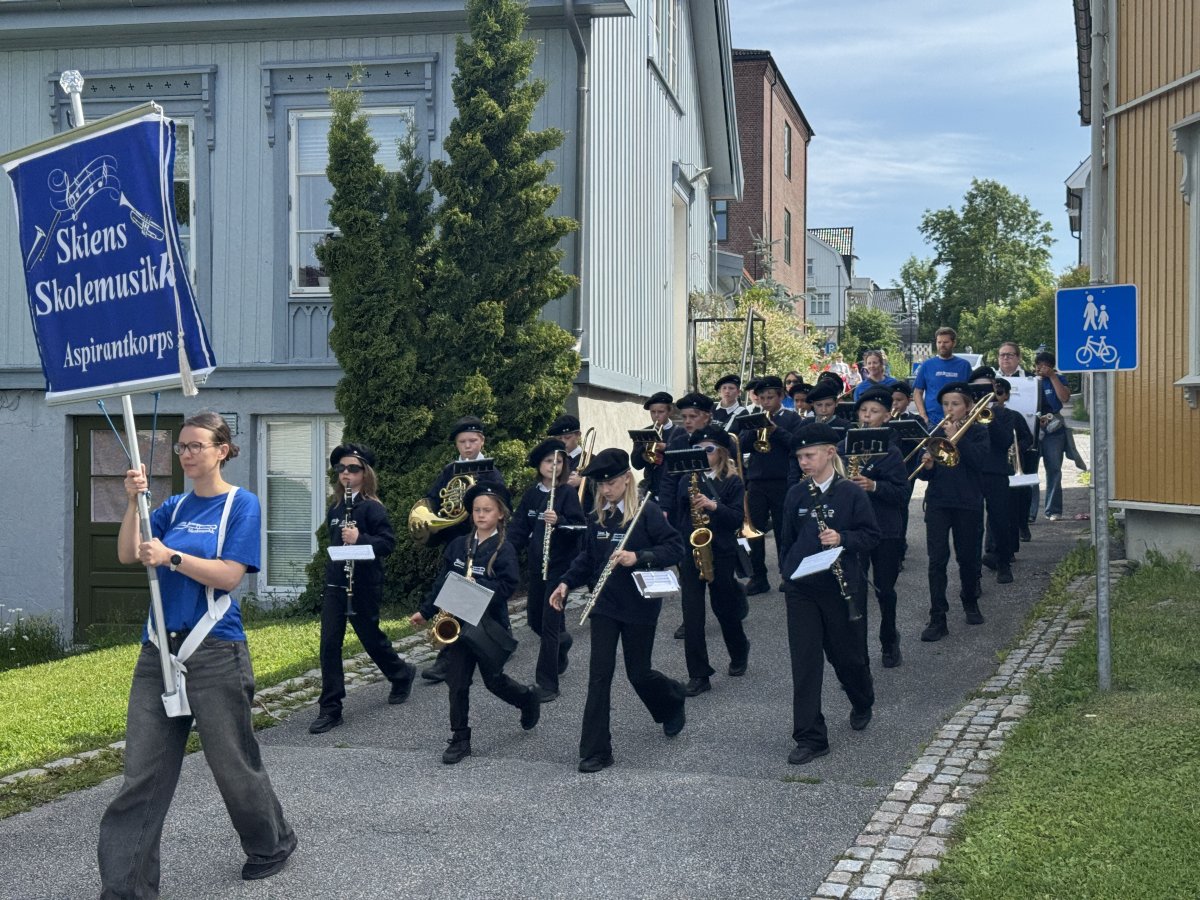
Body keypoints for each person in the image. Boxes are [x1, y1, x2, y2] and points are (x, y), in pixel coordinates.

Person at [99, 412, 296, 893]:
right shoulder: (172, 507)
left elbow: (230, 576)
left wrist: (173, 557)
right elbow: (128, 553)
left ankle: (271, 842)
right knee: (141, 775)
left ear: (222, 449)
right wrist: (133, 502)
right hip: (157, 653)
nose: (187, 454)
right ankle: (127, 888)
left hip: (215, 650)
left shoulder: (240, 505)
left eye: (196, 445)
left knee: (231, 762)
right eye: (182, 447)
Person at [549, 449, 687, 773]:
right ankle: (596, 751)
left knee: (639, 673)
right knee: (599, 676)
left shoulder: (648, 512)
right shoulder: (598, 516)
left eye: (611, 483)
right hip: (605, 606)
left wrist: (638, 556)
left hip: (639, 604)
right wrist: (566, 583)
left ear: (627, 478)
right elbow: (587, 558)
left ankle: (672, 700)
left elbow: (675, 547)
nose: (606, 490)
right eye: (601, 485)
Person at [411, 482, 541, 764]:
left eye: (487, 510)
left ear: (500, 515)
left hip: (487, 626)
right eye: (477, 510)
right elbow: (443, 581)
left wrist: (476, 585)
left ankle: (526, 699)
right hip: (456, 624)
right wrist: (426, 611)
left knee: (494, 682)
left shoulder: (503, 549)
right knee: (457, 683)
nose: (481, 515)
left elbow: (508, 586)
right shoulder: (459, 545)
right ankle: (460, 739)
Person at [778, 424, 879, 765]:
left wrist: (843, 539)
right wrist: (789, 573)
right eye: (800, 457)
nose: (804, 462)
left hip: (841, 588)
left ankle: (862, 698)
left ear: (830, 453)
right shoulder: (796, 494)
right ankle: (810, 737)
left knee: (847, 657)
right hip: (802, 590)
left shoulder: (851, 493)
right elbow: (786, 541)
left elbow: (871, 536)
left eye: (810, 455)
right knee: (805, 664)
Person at [310, 443, 416, 735]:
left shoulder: (372, 507)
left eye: (353, 469)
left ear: (364, 473)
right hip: (336, 581)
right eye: (341, 468)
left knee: (370, 637)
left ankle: (401, 673)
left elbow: (387, 543)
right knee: (329, 643)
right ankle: (331, 708)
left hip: (364, 583)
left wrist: (360, 538)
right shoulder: (336, 507)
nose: (346, 473)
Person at [420, 416, 507, 685]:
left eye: (472, 441)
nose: (467, 446)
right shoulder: (450, 470)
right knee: (457, 588)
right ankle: (449, 655)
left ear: (481, 441)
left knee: (485, 585)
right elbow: (435, 498)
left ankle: (497, 638)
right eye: (462, 442)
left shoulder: (490, 471)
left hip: (485, 536)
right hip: (458, 537)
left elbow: (500, 500)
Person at [670, 426, 751, 695]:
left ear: (721, 452)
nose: (703, 454)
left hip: (721, 552)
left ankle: (739, 650)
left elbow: (737, 519)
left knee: (724, 609)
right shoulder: (686, 480)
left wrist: (713, 506)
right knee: (692, 614)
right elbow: (680, 519)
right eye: (697, 450)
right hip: (692, 552)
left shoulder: (732, 481)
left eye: (708, 449)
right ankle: (698, 674)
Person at [509, 439, 585, 701]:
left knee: (550, 626)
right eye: (549, 461)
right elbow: (519, 527)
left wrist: (560, 521)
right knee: (535, 621)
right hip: (536, 565)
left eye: (559, 461)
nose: (554, 466)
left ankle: (548, 684)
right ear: (539, 465)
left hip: (559, 567)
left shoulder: (566, 493)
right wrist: (504, 552)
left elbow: (579, 528)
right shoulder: (532, 494)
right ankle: (563, 643)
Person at [915, 383, 989, 641]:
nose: (949, 409)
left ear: (968, 407)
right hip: (938, 503)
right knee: (937, 561)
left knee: (967, 558)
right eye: (946, 404)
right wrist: (926, 465)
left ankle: (970, 600)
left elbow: (980, 463)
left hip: (968, 503)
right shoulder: (935, 431)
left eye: (955, 404)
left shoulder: (979, 432)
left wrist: (958, 437)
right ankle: (938, 617)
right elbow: (926, 475)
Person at [844, 389, 909, 667]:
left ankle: (889, 638)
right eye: (863, 411)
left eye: (873, 412)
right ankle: (857, 648)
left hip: (885, 529)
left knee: (884, 588)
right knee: (856, 590)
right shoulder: (842, 446)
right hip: (854, 530)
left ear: (886, 416)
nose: (867, 416)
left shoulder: (891, 451)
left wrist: (874, 486)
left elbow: (902, 493)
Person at [732, 375, 802, 595]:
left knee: (784, 531)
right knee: (754, 532)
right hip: (757, 482)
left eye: (770, 397)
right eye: (762, 398)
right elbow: (739, 446)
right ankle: (758, 577)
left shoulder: (791, 419)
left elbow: (796, 445)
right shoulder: (753, 417)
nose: (766, 402)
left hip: (783, 481)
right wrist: (753, 431)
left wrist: (775, 430)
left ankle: (787, 574)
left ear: (781, 396)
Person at [989, 377, 1034, 568]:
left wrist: (1015, 448)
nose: (994, 396)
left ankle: (1010, 548)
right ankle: (992, 550)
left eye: (998, 393)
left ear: (1006, 396)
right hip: (989, 467)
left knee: (1010, 510)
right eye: (991, 393)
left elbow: (1028, 438)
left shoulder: (1014, 416)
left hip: (1009, 466)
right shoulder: (980, 415)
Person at [1033, 351, 1072, 520]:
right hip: (1034, 426)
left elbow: (1064, 397)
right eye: (1038, 366)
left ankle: (1053, 510)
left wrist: (1052, 377)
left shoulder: (1059, 379)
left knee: (1054, 469)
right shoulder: (1031, 380)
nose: (1041, 369)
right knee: (1030, 470)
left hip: (1054, 428)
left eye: (1045, 366)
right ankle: (1030, 512)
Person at [912, 327, 974, 425]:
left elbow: (971, 393)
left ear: (954, 343)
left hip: (959, 421)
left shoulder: (964, 365)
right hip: (932, 421)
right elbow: (917, 392)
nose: (942, 345)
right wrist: (923, 415)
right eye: (939, 342)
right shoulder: (927, 365)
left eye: (946, 342)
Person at [631, 391, 675, 503]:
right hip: (651, 488)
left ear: (670, 411)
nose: (656, 415)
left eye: (661, 412)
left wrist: (666, 448)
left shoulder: (680, 432)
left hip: (674, 489)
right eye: (653, 412)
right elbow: (636, 465)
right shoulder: (644, 433)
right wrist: (643, 454)